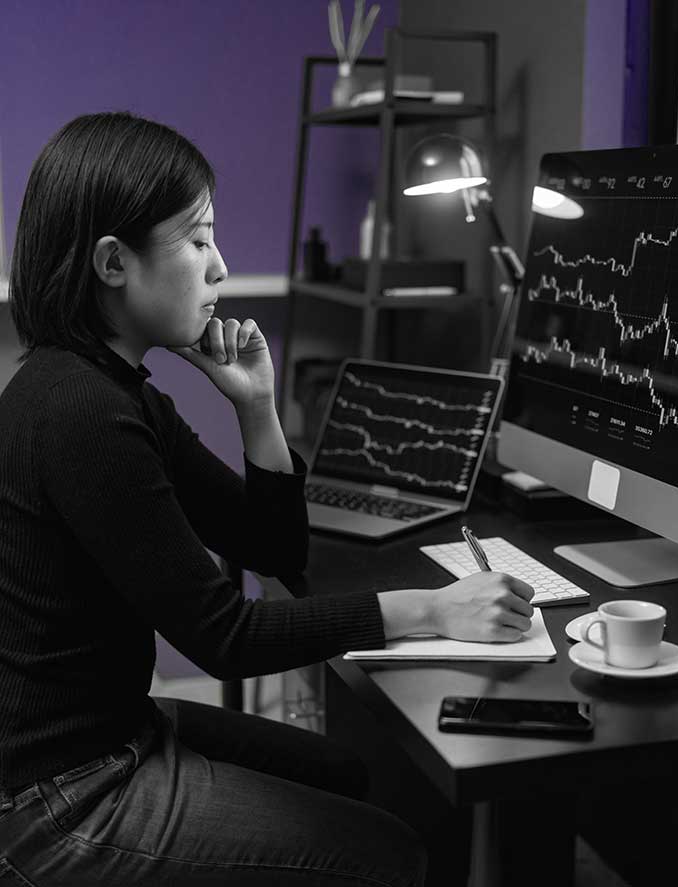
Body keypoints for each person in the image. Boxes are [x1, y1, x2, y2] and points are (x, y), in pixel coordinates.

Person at [0, 111, 534, 887]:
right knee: (391, 854)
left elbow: (276, 551)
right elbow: (227, 636)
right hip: (62, 796)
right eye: (198, 240)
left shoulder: (116, 392)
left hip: (108, 735)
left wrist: (257, 404)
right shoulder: (80, 412)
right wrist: (435, 608)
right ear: (114, 262)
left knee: (349, 773)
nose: (220, 267)